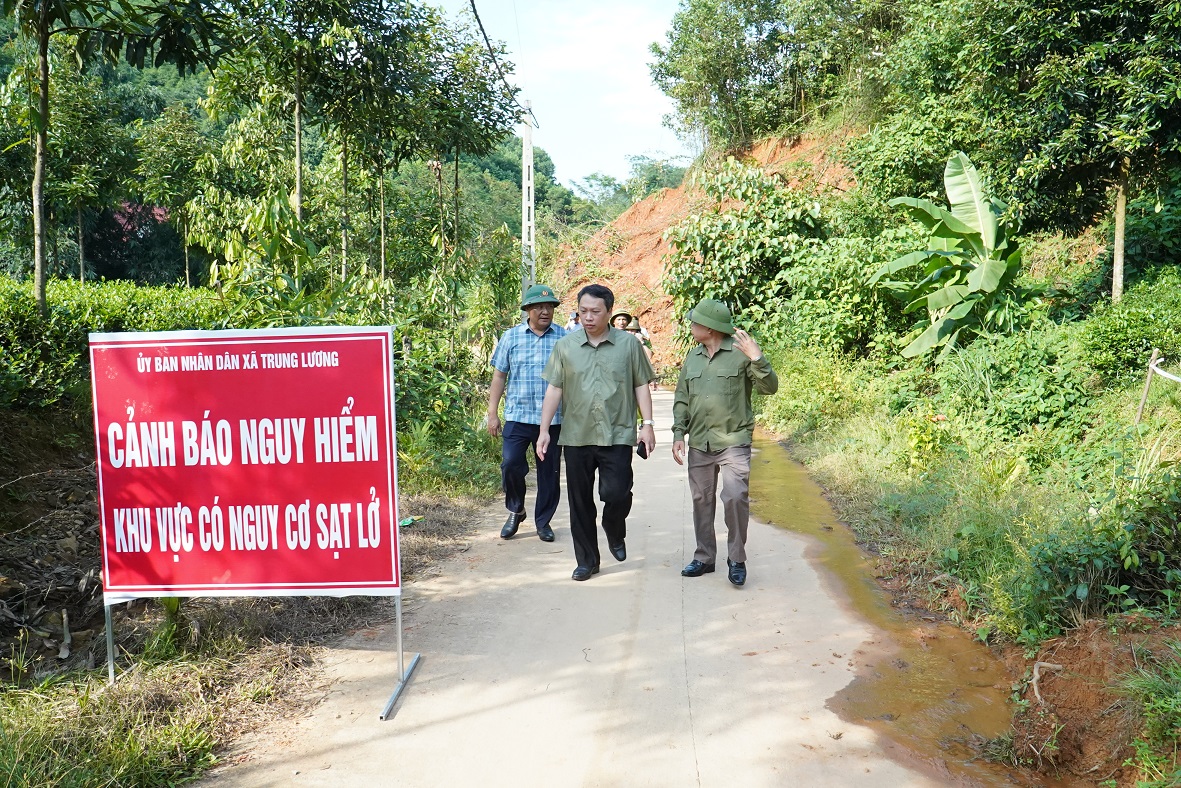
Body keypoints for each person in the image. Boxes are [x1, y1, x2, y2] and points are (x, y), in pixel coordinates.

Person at [537, 284, 656, 581]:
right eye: (583, 311)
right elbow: (554, 388)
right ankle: (587, 561)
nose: (588, 317)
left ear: (609, 312)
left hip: (617, 433)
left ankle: (614, 529)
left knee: (616, 493)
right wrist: (544, 430)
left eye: (595, 311)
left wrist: (648, 426)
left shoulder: (629, 346)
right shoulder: (565, 346)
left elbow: (641, 383)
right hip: (576, 434)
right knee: (579, 503)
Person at [671, 298, 778, 587]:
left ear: (710, 327)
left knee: (734, 498)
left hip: (734, 441)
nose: (691, 326)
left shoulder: (741, 354)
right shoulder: (692, 357)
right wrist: (678, 433)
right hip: (700, 443)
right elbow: (682, 397)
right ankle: (704, 557)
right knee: (700, 500)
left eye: (695, 322)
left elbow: (769, 388)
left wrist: (757, 357)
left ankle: (737, 558)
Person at [487, 284, 567, 542]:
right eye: (539, 307)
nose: (545, 311)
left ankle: (543, 522)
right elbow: (499, 376)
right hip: (518, 416)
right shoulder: (511, 337)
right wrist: (492, 413)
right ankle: (516, 509)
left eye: (549, 307)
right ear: (527, 310)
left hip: (553, 420)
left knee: (549, 473)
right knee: (511, 464)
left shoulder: (564, 338)